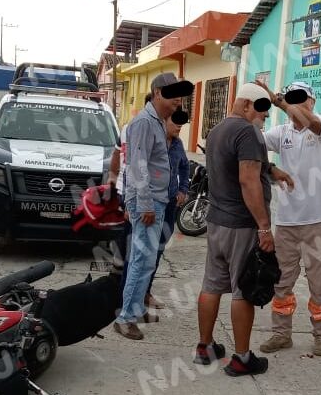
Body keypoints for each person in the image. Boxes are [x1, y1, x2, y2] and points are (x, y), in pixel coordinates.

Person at [195, 82, 294, 376]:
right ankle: (241, 358)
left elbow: (242, 166)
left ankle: (205, 347)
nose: (263, 119)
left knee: (211, 285)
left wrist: (272, 169)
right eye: (262, 113)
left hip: (216, 221)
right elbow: (248, 179)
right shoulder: (247, 132)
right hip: (241, 224)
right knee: (244, 290)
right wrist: (264, 228)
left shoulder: (218, 130)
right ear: (248, 105)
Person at [257, 81, 321, 357]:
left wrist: (283, 102)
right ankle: (281, 334)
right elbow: (252, 144)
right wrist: (270, 167)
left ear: (312, 102)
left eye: (301, 99)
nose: (296, 105)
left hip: (320, 221)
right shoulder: (281, 133)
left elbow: (310, 122)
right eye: (292, 99)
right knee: (281, 281)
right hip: (288, 223)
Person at [113, 73, 193, 340]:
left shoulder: (157, 122)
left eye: (180, 97)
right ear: (158, 93)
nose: (177, 103)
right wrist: (145, 204)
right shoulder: (145, 123)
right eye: (173, 96)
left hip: (157, 201)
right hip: (148, 204)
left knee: (147, 262)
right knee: (139, 261)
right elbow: (137, 166)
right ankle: (125, 318)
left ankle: (135, 309)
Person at [146, 108, 191, 300]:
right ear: (164, 121)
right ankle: (134, 294)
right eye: (176, 122)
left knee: (159, 248)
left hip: (171, 203)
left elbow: (185, 166)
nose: (180, 126)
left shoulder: (178, 144)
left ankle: (146, 291)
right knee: (144, 250)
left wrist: (183, 189)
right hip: (151, 204)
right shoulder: (153, 142)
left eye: (182, 123)